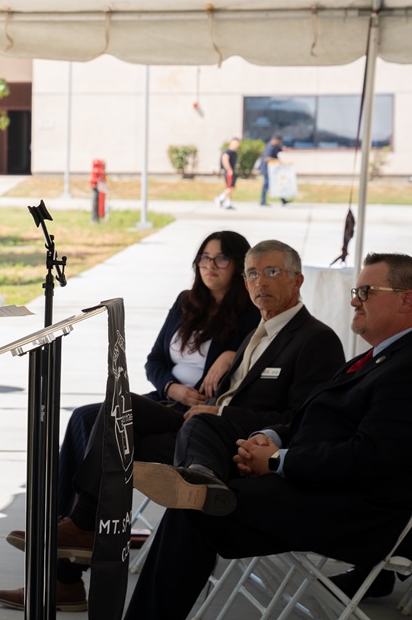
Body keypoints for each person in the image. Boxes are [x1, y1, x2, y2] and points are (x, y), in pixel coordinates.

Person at [0, 239, 343, 611]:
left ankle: (77, 539)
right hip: (197, 421)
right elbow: (158, 362)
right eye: (253, 274)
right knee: (108, 410)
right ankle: (74, 544)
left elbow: (299, 420)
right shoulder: (260, 331)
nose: (261, 282)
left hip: (227, 444)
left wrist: (219, 415)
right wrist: (204, 403)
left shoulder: (315, 339)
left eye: (272, 272)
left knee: (116, 424)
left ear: (298, 280)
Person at [124, 252, 412, 620]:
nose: (354, 299)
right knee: (204, 425)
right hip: (310, 478)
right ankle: (203, 476)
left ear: (407, 299)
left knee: (193, 510)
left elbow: (371, 458)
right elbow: (310, 419)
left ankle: (200, 493)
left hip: (350, 507)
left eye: (366, 291)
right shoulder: (377, 358)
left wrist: (278, 462)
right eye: (356, 290)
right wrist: (269, 438)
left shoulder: (405, 368)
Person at [259, 133, 289, 206]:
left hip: (273, 169)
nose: (279, 143)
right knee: (266, 184)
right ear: (275, 140)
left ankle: (283, 200)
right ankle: (262, 201)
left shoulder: (275, 146)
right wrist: (277, 160)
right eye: (279, 142)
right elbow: (267, 158)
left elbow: (279, 149)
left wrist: (283, 149)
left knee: (277, 183)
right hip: (267, 169)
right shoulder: (269, 147)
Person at [214, 137, 240, 210]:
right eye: (235, 143)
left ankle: (222, 199)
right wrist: (229, 170)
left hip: (232, 171)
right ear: (231, 142)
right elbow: (225, 160)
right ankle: (224, 201)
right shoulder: (228, 151)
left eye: (237, 143)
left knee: (231, 187)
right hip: (229, 172)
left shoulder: (234, 152)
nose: (236, 145)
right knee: (229, 187)